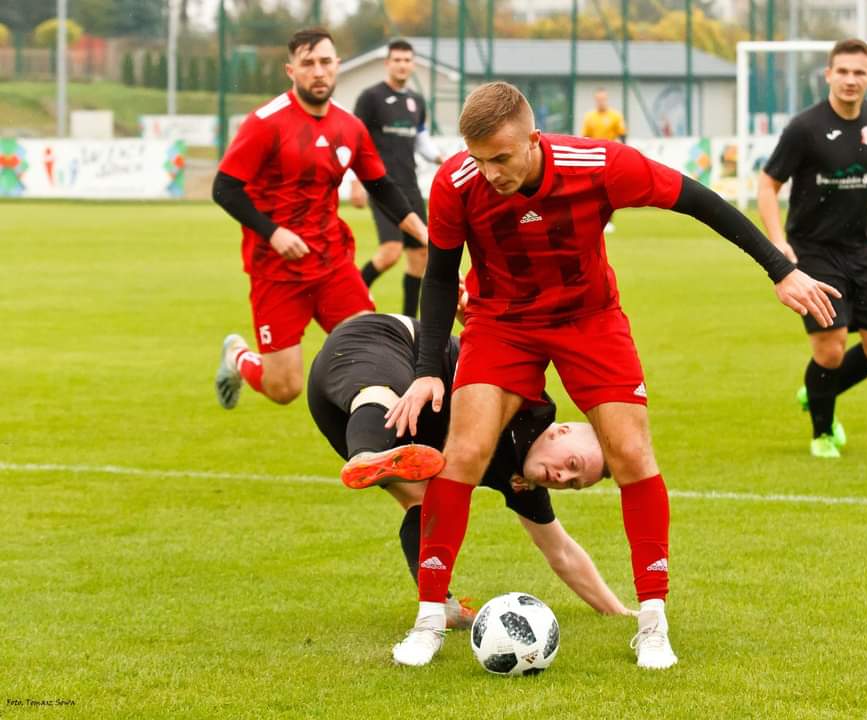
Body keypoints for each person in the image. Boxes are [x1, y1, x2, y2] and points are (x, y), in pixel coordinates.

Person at [383, 81, 840, 670]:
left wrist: (780, 270)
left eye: (501, 158)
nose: (489, 172)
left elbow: (700, 201)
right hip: (502, 324)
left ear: (533, 140)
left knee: (630, 453)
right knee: (465, 452)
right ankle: (428, 620)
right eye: (478, 158)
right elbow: (441, 275)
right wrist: (428, 370)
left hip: (589, 321)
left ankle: (653, 622)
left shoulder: (599, 164)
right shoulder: (456, 182)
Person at [306, 312, 632, 624]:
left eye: (573, 483)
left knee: (424, 503)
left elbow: (561, 551)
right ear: (561, 431)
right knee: (385, 396)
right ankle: (366, 456)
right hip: (381, 343)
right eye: (572, 464)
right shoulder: (527, 402)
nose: (562, 477)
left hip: (335, 415)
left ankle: (441, 604)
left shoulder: (523, 479)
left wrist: (618, 612)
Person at [211, 28, 427, 410]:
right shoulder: (266, 122)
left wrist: (425, 234)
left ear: (337, 66)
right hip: (276, 270)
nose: (318, 71)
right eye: (307, 63)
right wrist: (273, 233)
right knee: (284, 388)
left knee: (372, 353)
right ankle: (238, 357)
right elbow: (225, 188)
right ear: (291, 70)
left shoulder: (350, 126)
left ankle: (368, 438)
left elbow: (381, 187)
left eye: (325, 62)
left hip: (332, 264)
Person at [757, 38, 867, 459]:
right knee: (830, 347)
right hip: (813, 250)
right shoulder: (805, 128)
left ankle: (819, 389)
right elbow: (767, 184)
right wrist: (778, 241)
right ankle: (822, 433)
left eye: (859, 73)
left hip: (861, 248)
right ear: (828, 75)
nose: (850, 80)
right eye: (843, 72)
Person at [352, 39, 443, 317]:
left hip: (410, 186)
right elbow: (356, 140)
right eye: (397, 60)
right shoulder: (371, 98)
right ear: (387, 63)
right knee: (391, 251)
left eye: (407, 60)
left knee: (421, 254)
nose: (402, 65)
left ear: (412, 64)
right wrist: (356, 182)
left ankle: (408, 321)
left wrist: (442, 159)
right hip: (382, 187)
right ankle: (350, 300)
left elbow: (421, 140)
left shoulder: (416, 102)